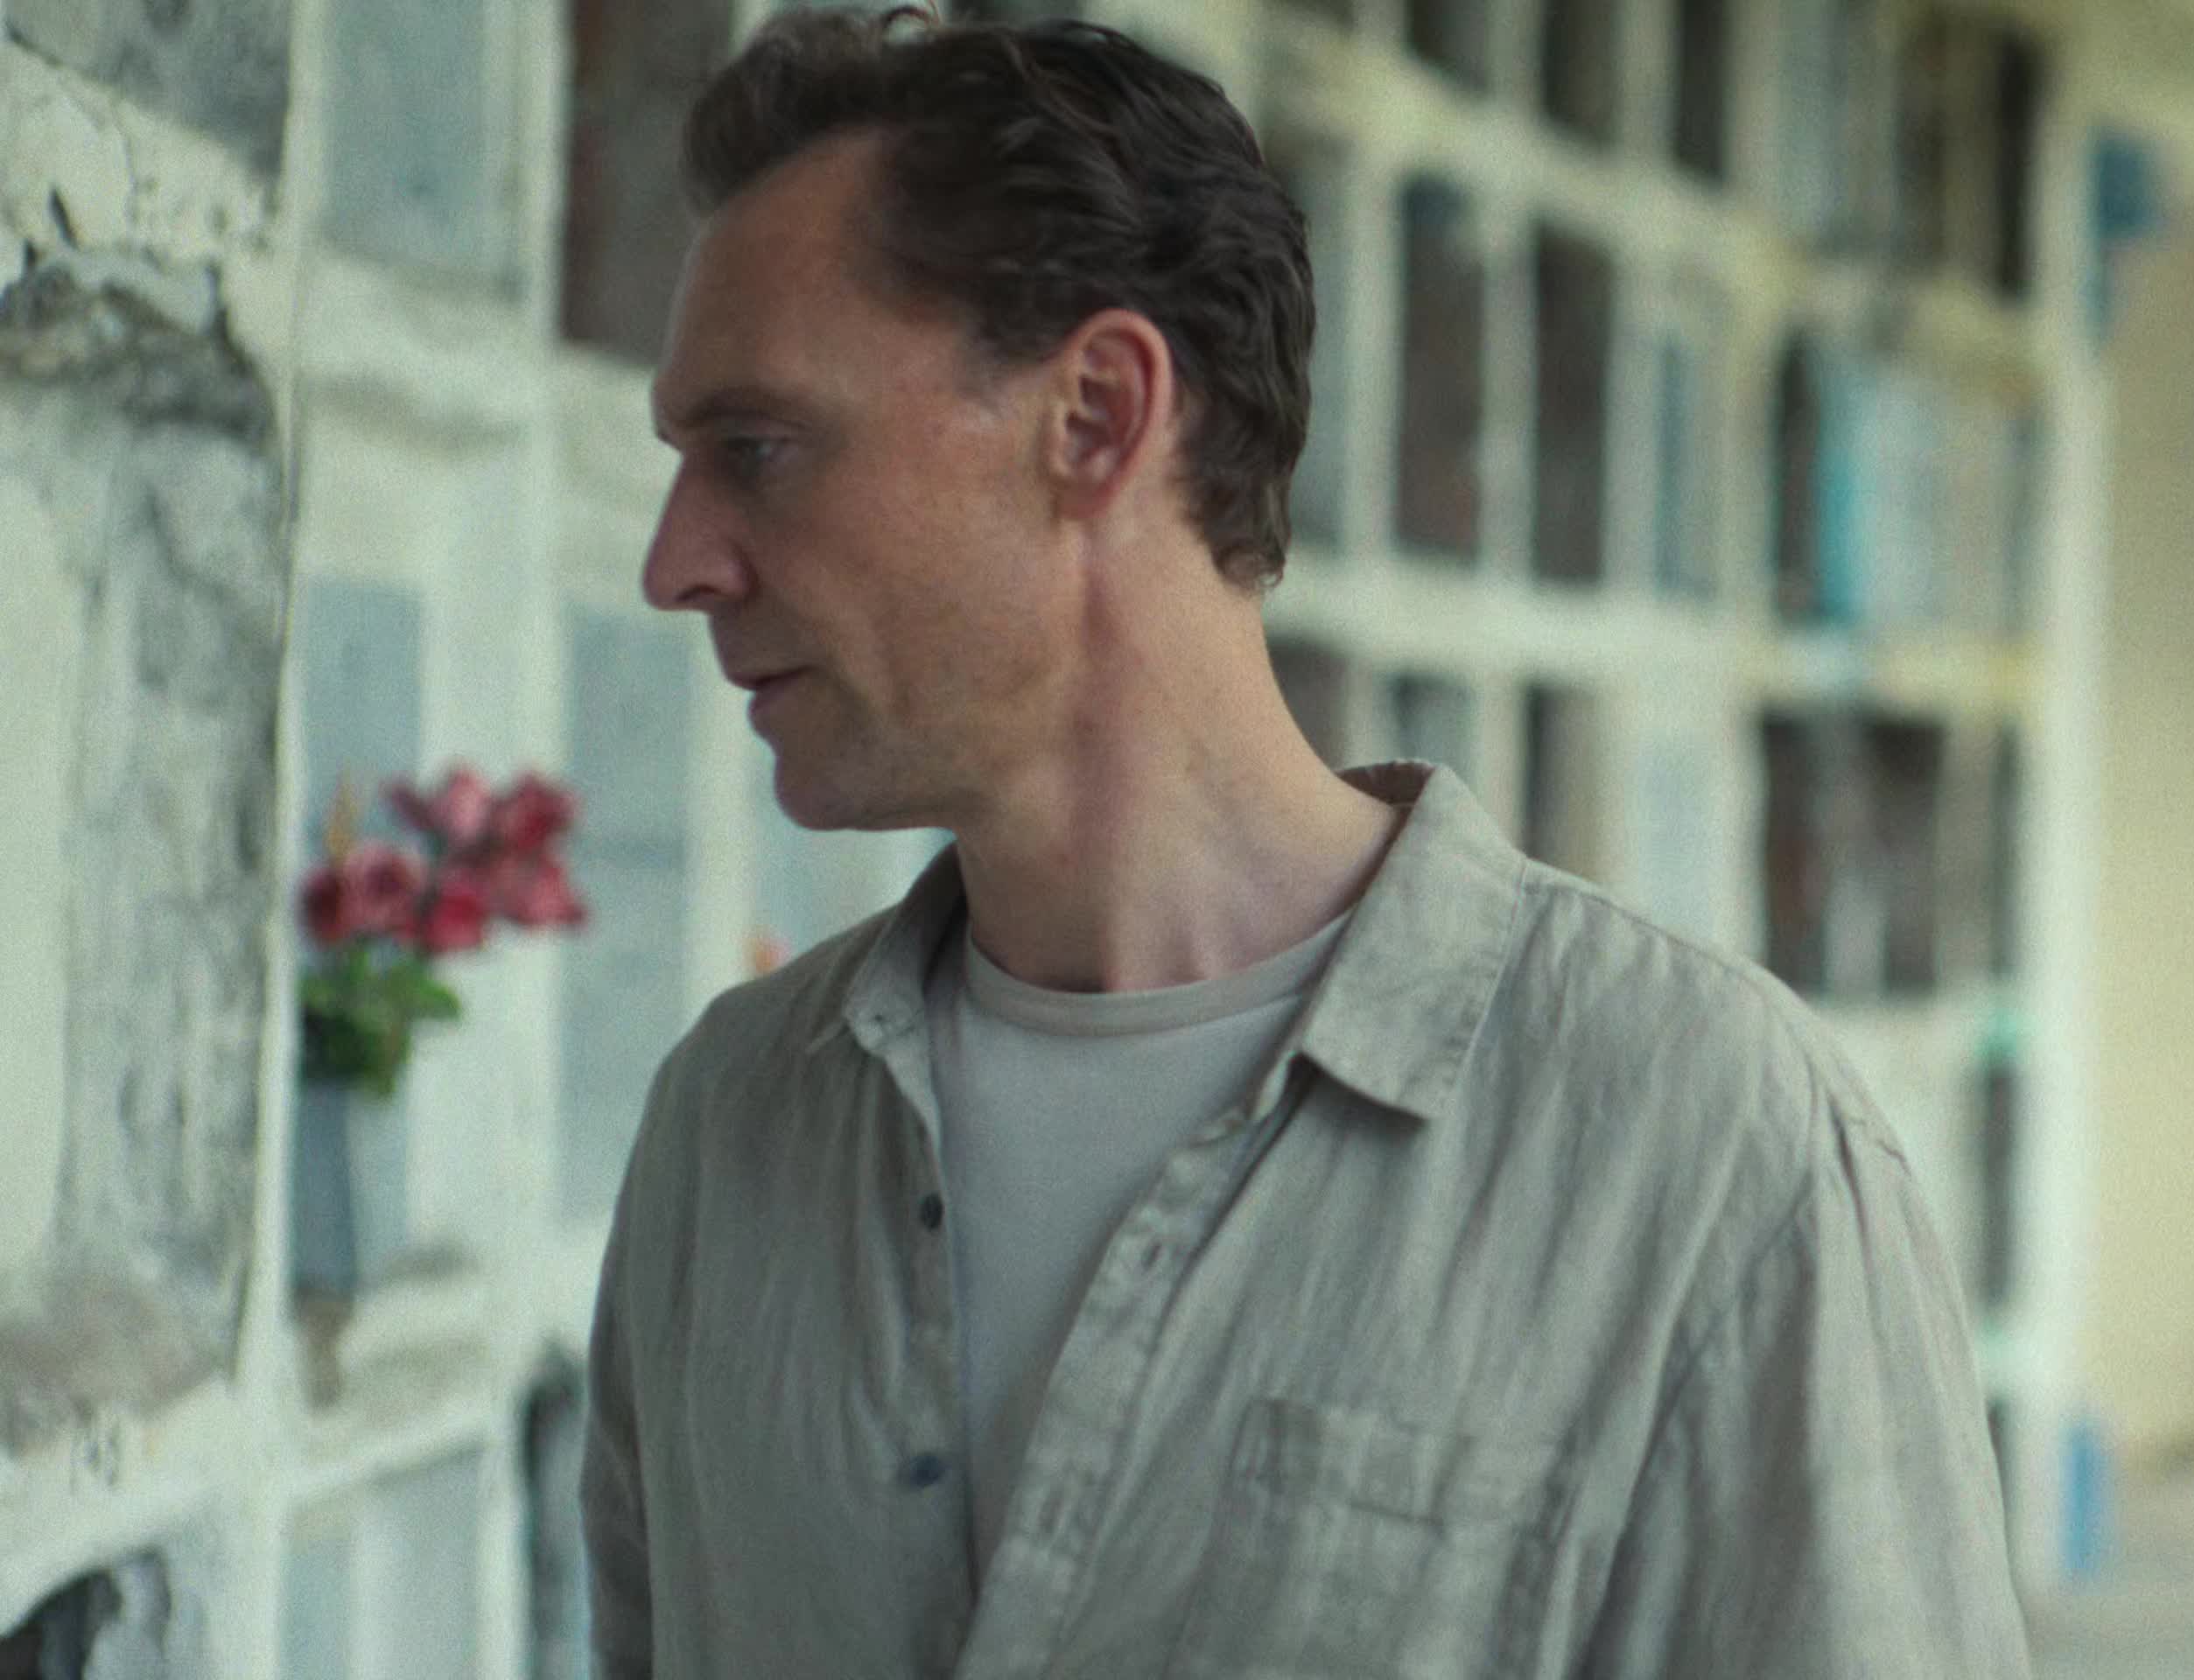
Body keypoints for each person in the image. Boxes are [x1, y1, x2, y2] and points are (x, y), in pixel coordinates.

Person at [578, 11, 2025, 1677]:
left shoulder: (1708, 1149)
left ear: (1096, 415)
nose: (675, 563)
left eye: (757, 451)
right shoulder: (729, 1127)